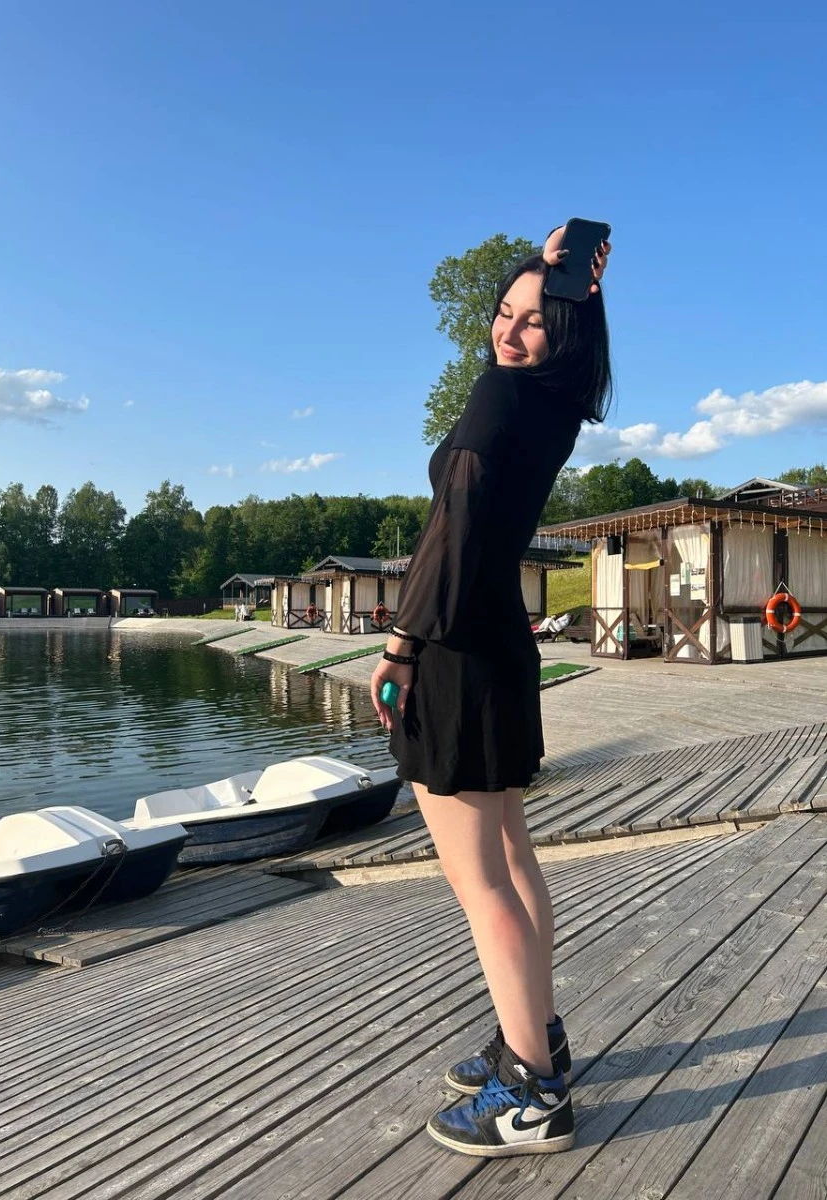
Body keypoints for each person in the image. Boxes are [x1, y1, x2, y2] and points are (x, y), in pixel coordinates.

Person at [370, 225, 612, 1157]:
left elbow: (455, 524)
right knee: (511, 858)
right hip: (500, 643)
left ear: (566, 330)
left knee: (481, 883)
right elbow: (467, 519)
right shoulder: (557, 402)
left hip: (458, 647)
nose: (508, 333)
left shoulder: (502, 394)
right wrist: (565, 277)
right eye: (502, 315)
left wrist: (401, 644)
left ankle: (534, 1093)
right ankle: (535, 1036)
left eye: (532, 321)